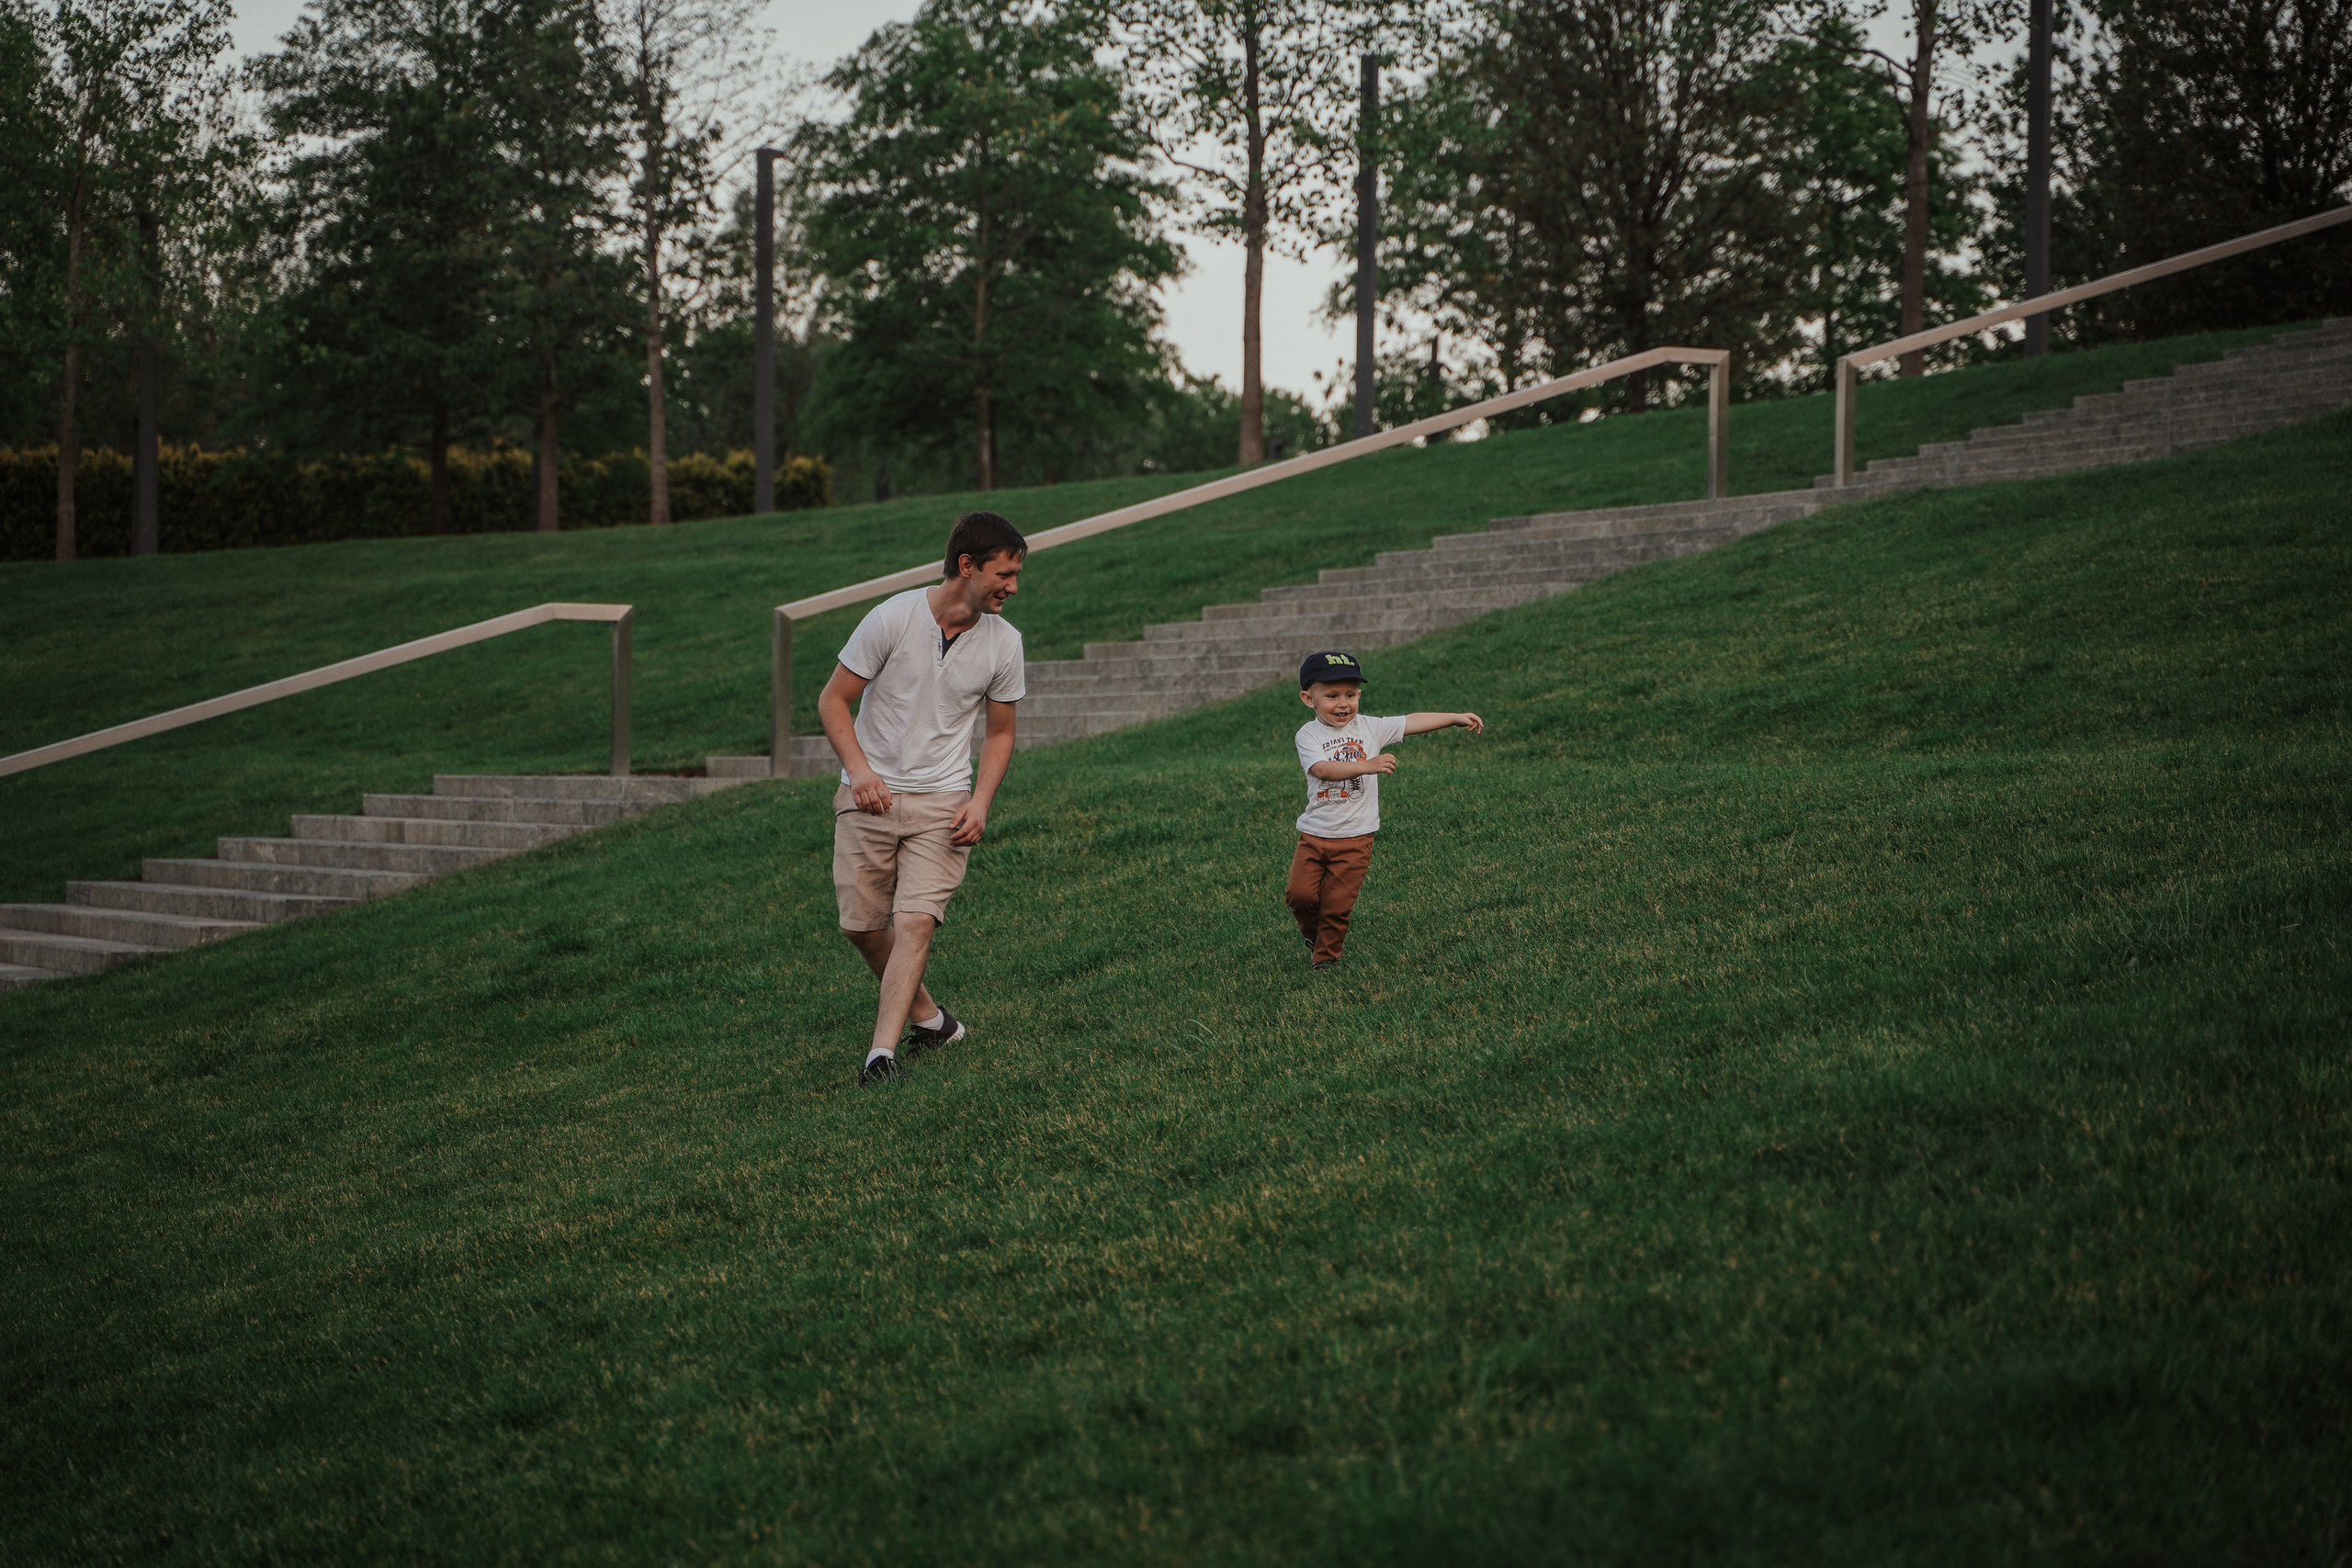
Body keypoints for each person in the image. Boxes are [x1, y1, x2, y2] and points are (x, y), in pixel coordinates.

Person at [818, 511, 1027, 1085]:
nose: (1013, 586)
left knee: (915, 921)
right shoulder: (892, 617)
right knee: (862, 927)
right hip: (870, 797)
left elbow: (1001, 731)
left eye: (1016, 574)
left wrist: (980, 801)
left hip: (943, 801)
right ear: (967, 566)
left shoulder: (1005, 643)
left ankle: (880, 1055)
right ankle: (931, 1020)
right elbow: (833, 700)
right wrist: (859, 772)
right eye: (1004, 573)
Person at [1286, 649, 1483, 971]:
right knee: (1300, 896)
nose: (1343, 703)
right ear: (1309, 699)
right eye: (1332, 695)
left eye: (1351, 694)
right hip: (1314, 833)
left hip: (1356, 838)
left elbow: (1411, 721)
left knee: (1337, 904)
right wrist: (1367, 765)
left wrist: (1454, 717)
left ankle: (1325, 959)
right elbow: (1322, 769)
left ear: (1359, 695)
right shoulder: (1309, 735)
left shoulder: (1370, 728)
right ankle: (1314, 934)